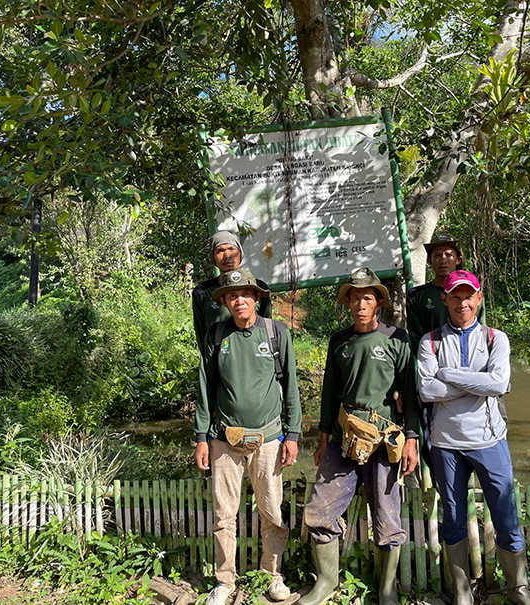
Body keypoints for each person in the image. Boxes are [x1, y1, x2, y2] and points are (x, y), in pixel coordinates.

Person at [416, 270, 530, 605]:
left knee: (505, 512)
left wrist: (450, 375)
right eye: (455, 297)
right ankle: (461, 591)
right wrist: (476, 381)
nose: (462, 303)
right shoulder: (429, 342)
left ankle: (518, 588)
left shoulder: (495, 339)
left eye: (468, 296)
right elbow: (427, 390)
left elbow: (498, 384)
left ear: (479, 298)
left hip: (490, 440)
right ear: (444, 300)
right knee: (454, 517)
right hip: (446, 444)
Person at [299, 267, 420, 605]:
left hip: (384, 441)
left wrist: (412, 438)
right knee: (319, 511)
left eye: (368, 297)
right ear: (348, 302)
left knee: (387, 516)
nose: (361, 303)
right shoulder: (340, 341)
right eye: (355, 297)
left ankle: (385, 591)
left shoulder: (397, 338)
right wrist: (324, 438)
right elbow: (329, 393)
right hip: (343, 438)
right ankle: (325, 583)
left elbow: (410, 393)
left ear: (378, 302)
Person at [195, 269, 302, 605]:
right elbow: (206, 388)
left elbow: (293, 389)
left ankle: (273, 575)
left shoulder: (276, 333)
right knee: (223, 514)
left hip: (269, 438)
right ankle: (224, 581)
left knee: (272, 512)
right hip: (225, 439)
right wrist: (201, 436)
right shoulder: (216, 335)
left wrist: (293, 435)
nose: (238, 300)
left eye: (245, 294)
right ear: (225, 301)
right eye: (231, 295)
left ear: (257, 298)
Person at [405, 233, 484, 473]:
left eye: (448, 254)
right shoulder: (417, 296)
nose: (443, 259)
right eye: (437, 255)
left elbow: (478, 333)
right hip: (433, 374)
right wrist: (434, 371)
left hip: (467, 374)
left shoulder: (473, 294)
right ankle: (441, 481)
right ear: (429, 261)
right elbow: (416, 338)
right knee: (431, 433)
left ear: (458, 259)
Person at [192, 230, 272, 352]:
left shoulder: (259, 288)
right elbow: (202, 334)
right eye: (220, 250)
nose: (227, 255)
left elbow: (267, 329)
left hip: (254, 355)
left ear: (240, 253)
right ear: (213, 257)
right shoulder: (203, 292)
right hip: (219, 360)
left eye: (232, 249)